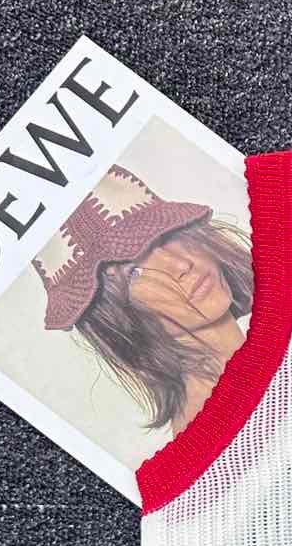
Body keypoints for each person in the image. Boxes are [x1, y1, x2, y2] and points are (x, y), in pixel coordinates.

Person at [32, 165, 254, 439]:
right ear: (117, 320)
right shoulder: (215, 431)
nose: (180, 265)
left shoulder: (289, 331)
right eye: (133, 273)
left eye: (167, 236)